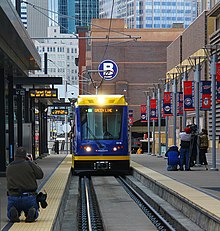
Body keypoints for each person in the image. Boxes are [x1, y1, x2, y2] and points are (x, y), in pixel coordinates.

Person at [6, 147, 44, 223]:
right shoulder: (29, 165)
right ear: (25, 156)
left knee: (10, 212)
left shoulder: (9, 167)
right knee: (34, 209)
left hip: (14, 197)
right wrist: (31, 162)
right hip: (29, 197)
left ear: (15, 156)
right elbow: (40, 175)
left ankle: (13, 212)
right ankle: (32, 212)